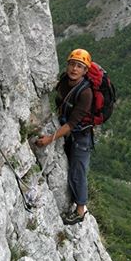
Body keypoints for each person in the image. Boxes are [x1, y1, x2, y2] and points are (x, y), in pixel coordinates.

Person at [36, 48, 93, 225]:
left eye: (79, 66)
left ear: (85, 71)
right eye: (72, 64)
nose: (74, 69)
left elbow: (71, 125)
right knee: (70, 169)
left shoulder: (86, 93)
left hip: (81, 137)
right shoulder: (64, 81)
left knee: (78, 172)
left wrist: (50, 139)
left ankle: (80, 210)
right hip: (68, 133)